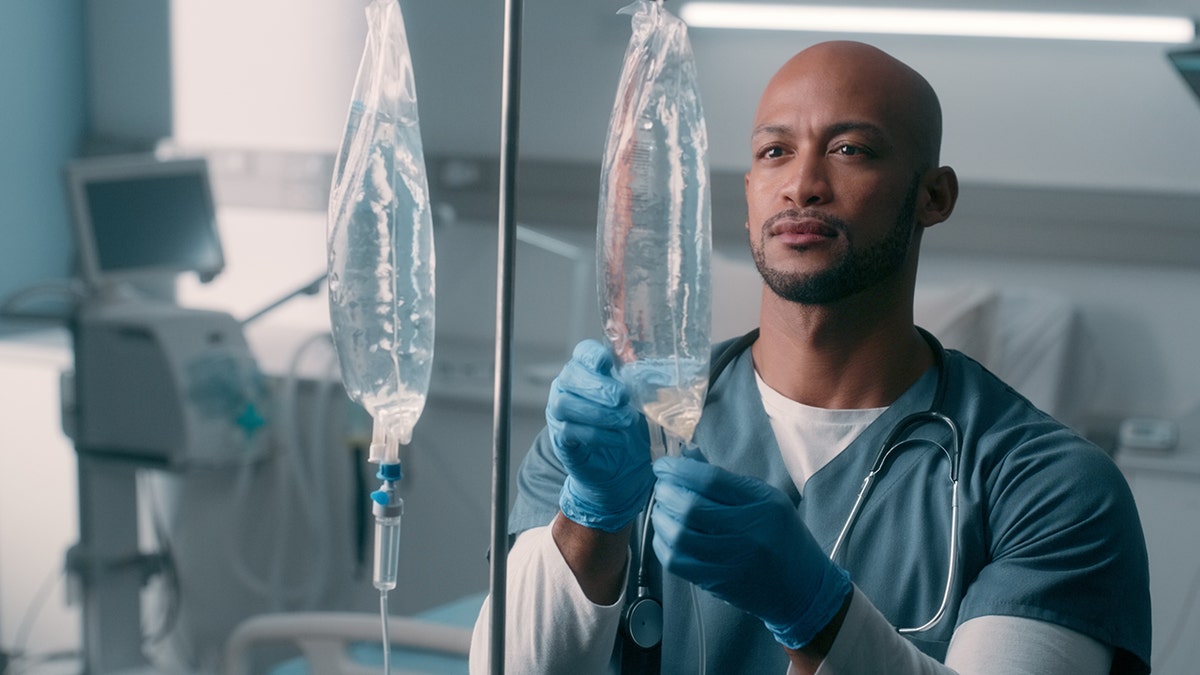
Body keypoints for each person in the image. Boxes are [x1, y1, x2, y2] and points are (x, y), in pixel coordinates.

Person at [469, 40, 1151, 674]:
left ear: (933, 196)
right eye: (774, 153)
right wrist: (592, 519)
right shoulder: (613, 434)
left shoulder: (1048, 486)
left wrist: (818, 611)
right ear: (747, 199)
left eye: (850, 148)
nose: (802, 184)